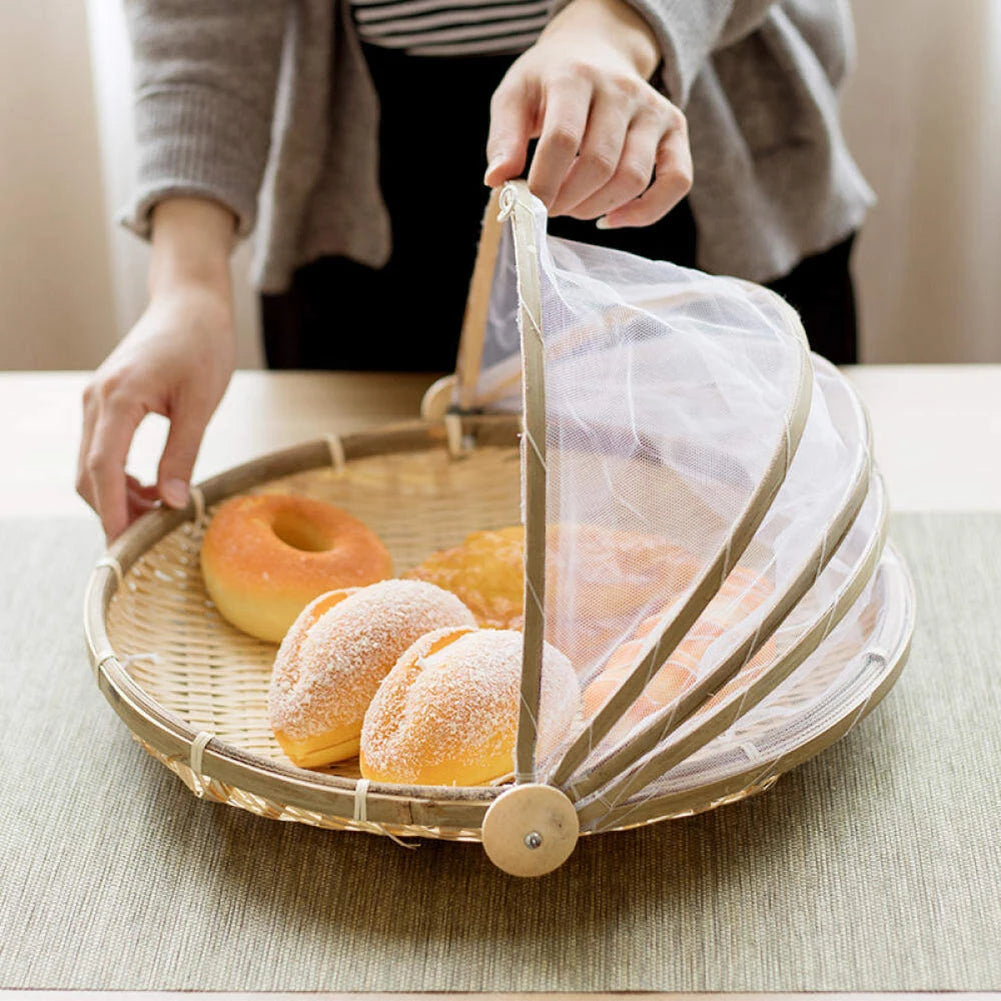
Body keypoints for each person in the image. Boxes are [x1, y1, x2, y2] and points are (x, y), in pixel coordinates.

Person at [78, 0, 873, 541]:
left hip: (680, 129)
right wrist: (188, 280)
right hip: (370, 201)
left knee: (762, 557)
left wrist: (615, 20)